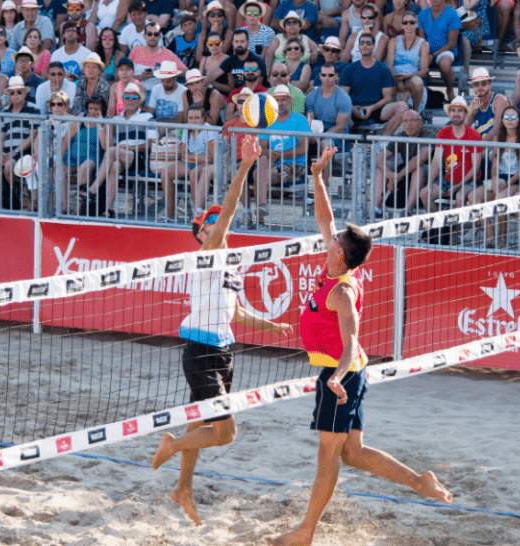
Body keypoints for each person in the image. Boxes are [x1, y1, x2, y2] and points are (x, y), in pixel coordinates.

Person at [264, 146, 452, 546]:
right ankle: (420, 481)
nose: (330, 236)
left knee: (329, 457)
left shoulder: (342, 292)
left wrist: (336, 377)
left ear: (339, 252)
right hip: (344, 372)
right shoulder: (336, 266)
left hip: (342, 374)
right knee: (352, 452)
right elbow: (324, 215)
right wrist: (317, 175)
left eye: (335, 238)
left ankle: (305, 532)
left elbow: (351, 343)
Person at [152, 133, 289, 527]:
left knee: (200, 421)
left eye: (218, 221)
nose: (220, 222)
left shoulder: (227, 262)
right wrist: (245, 165)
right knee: (225, 432)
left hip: (222, 350)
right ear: (202, 233)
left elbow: (237, 312)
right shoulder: (207, 253)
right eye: (210, 222)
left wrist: (271, 325)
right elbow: (229, 207)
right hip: (201, 352)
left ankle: (183, 488)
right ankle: (171, 445)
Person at [89, 82, 157, 219]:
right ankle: (108, 210)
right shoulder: (116, 119)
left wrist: (131, 147)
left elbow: (152, 144)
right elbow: (110, 144)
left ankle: (93, 189)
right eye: (127, 96)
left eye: (134, 97)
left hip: (140, 156)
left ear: (140, 99)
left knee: (113, 152)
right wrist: (100, 125)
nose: (130, 100)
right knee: (113, 166)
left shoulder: (148, 117)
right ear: (123, 99)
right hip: (119, 155)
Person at [467, 105, 520, 248]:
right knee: (473, 197)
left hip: (517, 179)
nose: (510, 120)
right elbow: (494, 165)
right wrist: (495, 180)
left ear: (519, 120)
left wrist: (506, 184)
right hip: (500, 177)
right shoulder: (497, 138)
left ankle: (503, 238)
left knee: (501, 198)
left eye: (513, 117)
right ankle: (491, 236)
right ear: (501, 120)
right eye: (506, 117)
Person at [253, 85, 311, 224]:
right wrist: (270, 154)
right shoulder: (267, 120)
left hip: (296, 167)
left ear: (290, 101)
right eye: (277, 100)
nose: (280, 103)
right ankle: (262, 207)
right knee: (263, 162)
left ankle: (261, 214)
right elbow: (263, 147)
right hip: (272, 165)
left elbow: (303, 149)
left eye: (283, 99)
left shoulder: (300, 120)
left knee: (258, 174)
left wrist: (278, 155)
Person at [0, 76, 41, 210]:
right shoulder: (4, 112)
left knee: (8, 166)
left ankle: (10, 198)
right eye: (12, 92)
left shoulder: (33, 109)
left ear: (24, 93)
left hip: (24, 152)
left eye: (19, 92)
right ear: (9, 95)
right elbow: (1, 136)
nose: (16, 95)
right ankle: (12, 192)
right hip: (7, 152)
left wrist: (16, 151)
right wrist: (0, 151)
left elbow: (33, 136)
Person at [420, 96, 483, 211]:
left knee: (459, 197)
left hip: (470, 181)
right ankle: (439, 227)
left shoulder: (474, 135)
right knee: (425, 194)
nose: (456, 114)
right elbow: (436, 161)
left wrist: (458, 186)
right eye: (453, 110)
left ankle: (457, 229)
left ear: (465, 113)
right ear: (449, 113)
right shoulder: (443, 132)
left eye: (460, 110)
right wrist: (429, 184)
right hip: (449, 180)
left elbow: (476, 168)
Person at [339, 33, 409, 136]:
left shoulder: (383, 69)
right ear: (358, 47)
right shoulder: (349, 69)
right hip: (355, 109)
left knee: (402, 107)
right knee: (340, 117)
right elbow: (343, 96)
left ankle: (383, 141)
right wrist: (353, 108)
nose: (365, 45)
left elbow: (388, 98)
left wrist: (371, 108)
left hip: (376, 109)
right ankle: (341, 147)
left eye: (368, 43)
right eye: (362, 43)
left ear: (374, 47)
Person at [373, 110, 435, 217]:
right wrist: (388, 173)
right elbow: (379, 157)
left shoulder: (428, 134)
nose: (409, 124)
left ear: (421, 122)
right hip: (406, 176)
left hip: (431, 176)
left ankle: (408, 211)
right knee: (383, 165)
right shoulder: (401, 135)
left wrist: (398, 176)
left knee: (418, 167)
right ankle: (377, 209)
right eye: (405, 121)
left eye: (412, 120)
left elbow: (422, 158)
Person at [60, 96, 107, 213]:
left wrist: (100, 124)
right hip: (73, 156)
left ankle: (82, 207)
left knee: (84, 168)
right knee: (60, 171)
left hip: (92, 157)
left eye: (97, 109)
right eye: (90, 108)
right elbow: (66, 139)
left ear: (102, 110)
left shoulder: (106, 122)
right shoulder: (81, 118)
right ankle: (64, 207)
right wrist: (59, 160)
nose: (93, 112)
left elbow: (106, 146)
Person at [385, 11, 429, 112]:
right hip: (394, 78)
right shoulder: (394, 41)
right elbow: (389, 65)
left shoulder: (423, 44)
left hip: (410, 78)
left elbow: (423, 71)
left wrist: (406, 77)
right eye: (405, 23)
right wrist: (397, 80)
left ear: (417, 25)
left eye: (411, 22)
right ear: (402, 25)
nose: (408, 25)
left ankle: (415, 112)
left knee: (418, 82)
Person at [418, 0, 461, 101]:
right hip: (427, 49)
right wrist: (426, 54)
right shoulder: (423, 14)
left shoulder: (453, 15)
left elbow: (451, 44)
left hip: (445, 50)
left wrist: (433, 55)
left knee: (445, 64)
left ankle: (449, 89)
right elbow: (421, 40)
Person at [306, 62, 353, 149]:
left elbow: (340, 127)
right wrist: (312, 136)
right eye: (324, 75)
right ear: (320, 76)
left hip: (337, 136)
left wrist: (320, 137)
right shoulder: (311, 95)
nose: (327, 78)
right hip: (318, 132)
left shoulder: (344, 98)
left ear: (336, 76)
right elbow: (311, 121)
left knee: (325, 145)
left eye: (330, 75)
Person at [211, 30, 269, 95]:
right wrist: (209, 82)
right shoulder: (230, 60)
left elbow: (256, 87)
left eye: (242, 41)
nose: (239, 44)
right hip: (237, 95)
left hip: (255, 95)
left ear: (248, 43)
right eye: (236, 42)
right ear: (233, 43)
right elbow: (213, 75)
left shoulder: (257, 61)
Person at [468, 67, 509, 139]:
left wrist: (480, 147)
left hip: (497, 146)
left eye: (483, 83)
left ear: (490, 85)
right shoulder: (475, 103)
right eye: (476, 84)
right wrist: (471, 110)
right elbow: (463, 129)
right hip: (482, 146)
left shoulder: (499, 99)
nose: (480, 87)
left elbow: (496, 129)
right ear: (473, 87)